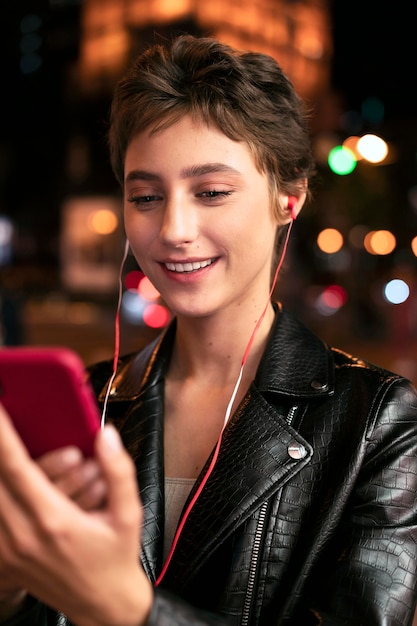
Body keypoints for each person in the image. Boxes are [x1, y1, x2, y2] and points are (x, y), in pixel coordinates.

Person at [0, 33, 416, 626]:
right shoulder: (88, 402)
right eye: (144, 196)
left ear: (288, 197)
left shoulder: (378, 423)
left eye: (212, 192)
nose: (173, 229)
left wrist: (127, 609)